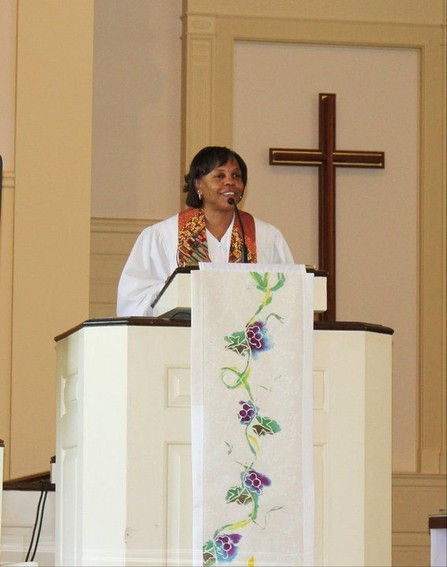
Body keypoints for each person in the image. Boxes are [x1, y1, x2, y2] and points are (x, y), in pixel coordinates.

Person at [117, 146, 294, 316]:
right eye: (219, 175)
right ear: (198, 185)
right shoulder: (163, 236)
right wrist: (173, 289)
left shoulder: (265, 237)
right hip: (181, 340)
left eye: (236, 175)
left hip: (247, 344)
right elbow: (133, 300)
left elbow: (289, 293)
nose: (230, 181)